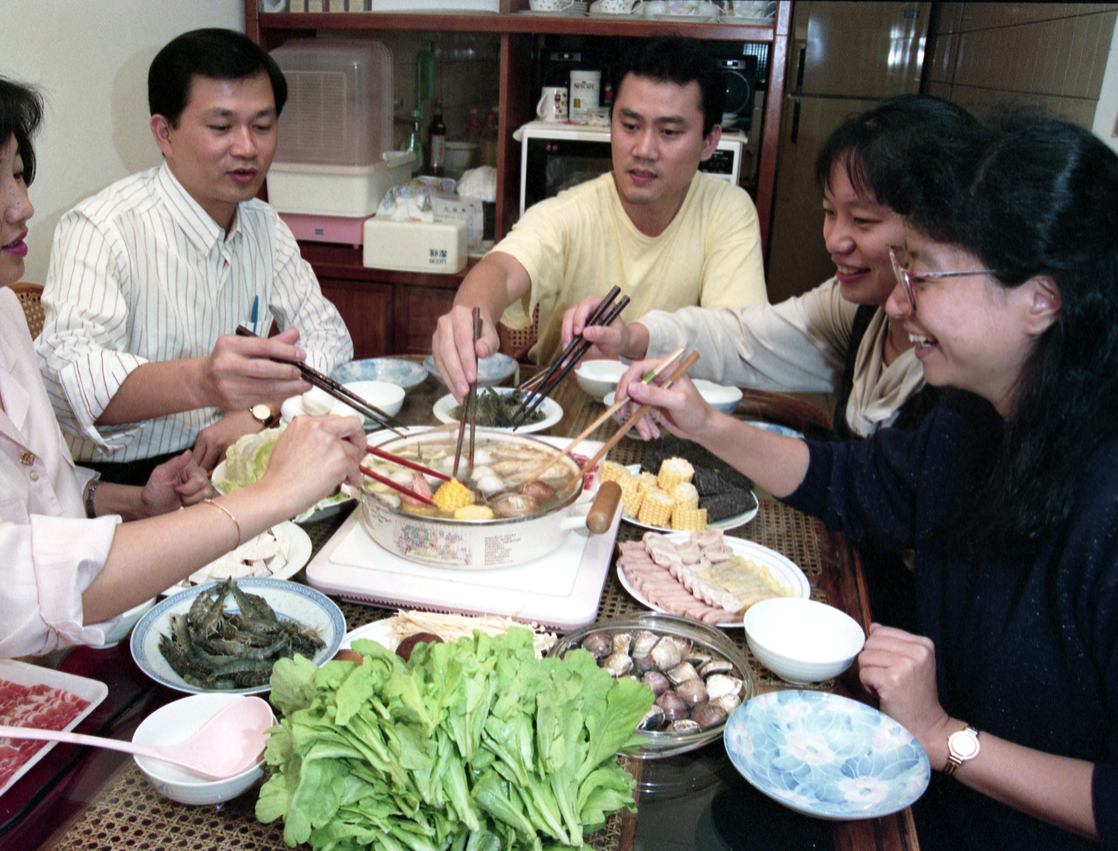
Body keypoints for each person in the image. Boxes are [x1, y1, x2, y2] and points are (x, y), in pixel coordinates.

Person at [0, 42, 364, 758]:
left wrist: (125, 502)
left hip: (56, 664)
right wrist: (265, 496)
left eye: (20, 174)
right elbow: (3, 591)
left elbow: (27, 490)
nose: (25, 206)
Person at [615, 114, 1118, 850]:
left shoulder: (1105, 503)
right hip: (916, 780)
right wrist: (704, 424)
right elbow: (849, 482)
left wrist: (946, 735)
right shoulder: (973, 422)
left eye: (924, 274)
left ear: (1040, 300)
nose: (895, 301)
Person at [36, 28, 353, 485]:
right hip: (124, 484)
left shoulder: (264, 226)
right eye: (221, 127)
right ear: (164, 133)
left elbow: (331, 339)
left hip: (235, 458)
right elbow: (67, 378)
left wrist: (262, 410)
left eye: (262, 126)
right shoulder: (104, 228)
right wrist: (203, 381)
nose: (247, 147)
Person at [565, 94, 979, 441]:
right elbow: (741, 338)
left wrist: (711, 427)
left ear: (939, 224)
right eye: (829, 212)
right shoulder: (856, 309)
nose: (834, 240)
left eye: (863, 221)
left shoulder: (969, 362)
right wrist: (631, 337)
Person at [431, 36, 767, 400]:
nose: (644, 150)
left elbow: (739, 344)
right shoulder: (572, 212)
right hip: (564, 410)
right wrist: (468, 316)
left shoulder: (728, 212)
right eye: (630, 126)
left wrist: (631, 338)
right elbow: (502, 269)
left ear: (709, 142)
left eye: (669, 132)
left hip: (674, 417)